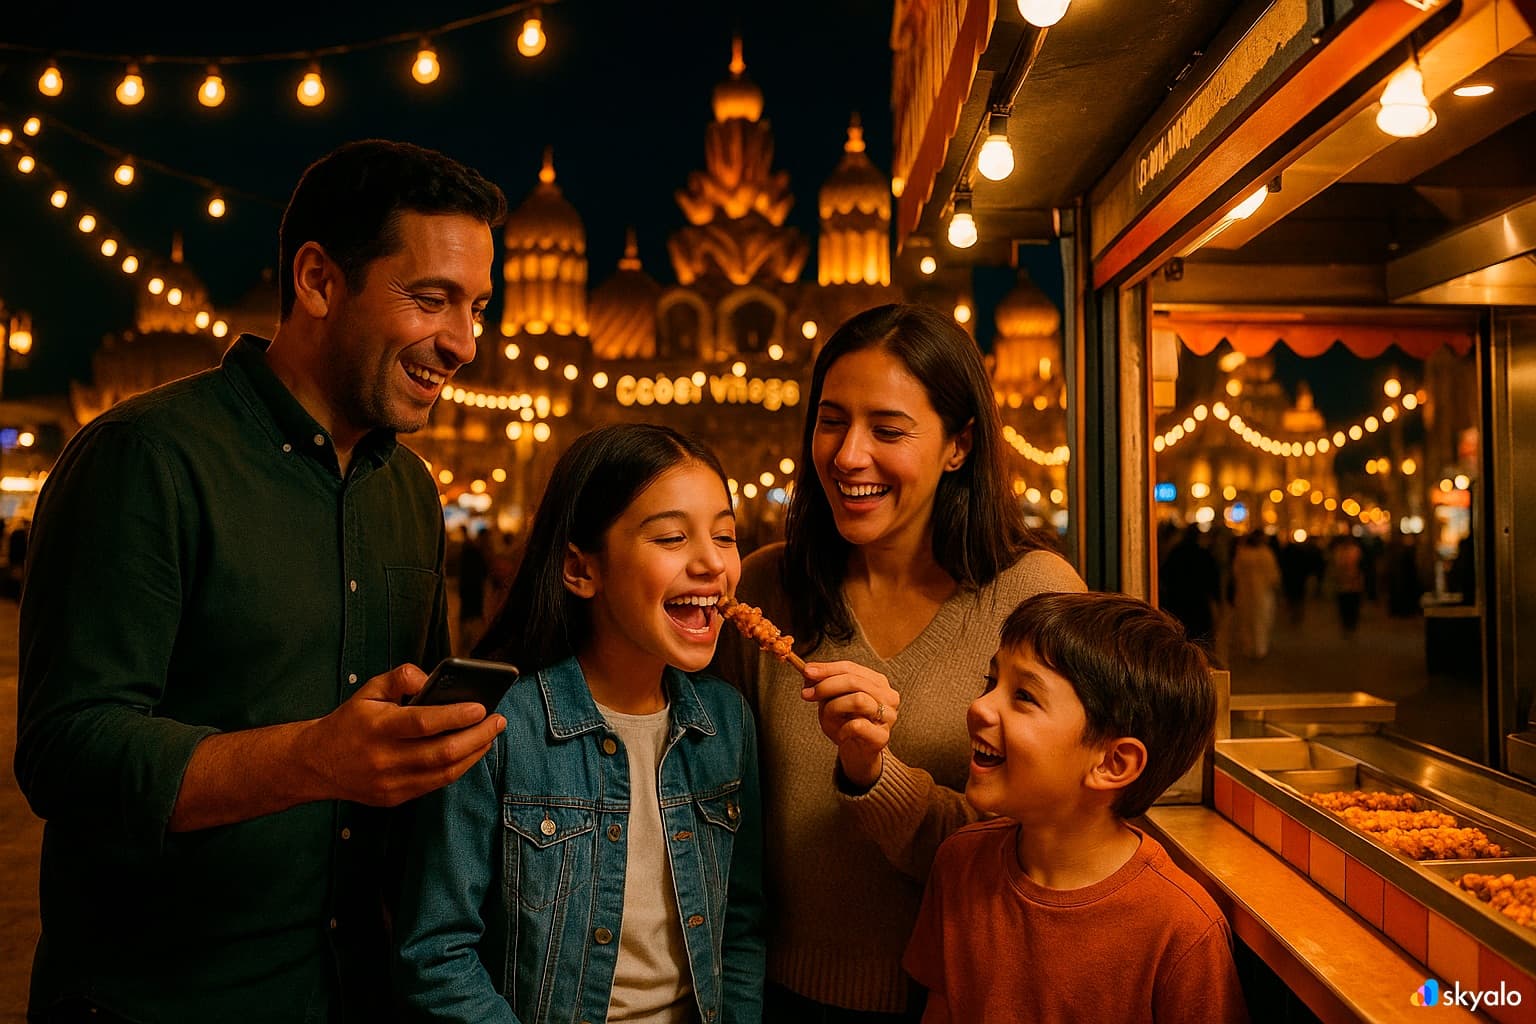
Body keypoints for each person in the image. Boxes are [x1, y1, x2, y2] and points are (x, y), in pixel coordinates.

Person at [14, 139, 508, 1024]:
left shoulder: (410, 492)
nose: (465, 343)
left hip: (353, 989)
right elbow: (69, 755)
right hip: (165, 998)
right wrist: (311, 760)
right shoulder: (148, 460)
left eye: (477, 307)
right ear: (317, 280)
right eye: (431, 299)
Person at [715, 303, 1084, 1021]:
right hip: (770, 995)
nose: (850, 455)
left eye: (888, 430)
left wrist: (875, 778)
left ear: (958, 445)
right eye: (831, 420)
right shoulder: (764, 589)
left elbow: (1048, 847)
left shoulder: (1037, 600)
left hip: (962, 999)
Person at [395, 424, 766, 1023]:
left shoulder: (727, 722)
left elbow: (741, 928)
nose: (711, 563)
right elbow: (436, 954)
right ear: (579, 568)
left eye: (725, 535)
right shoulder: (499, 728)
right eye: (672, 537)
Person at [903, 591, 1248, 1022]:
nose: (980, 706)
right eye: (991, 682)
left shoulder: (1180, 928)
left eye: (1024, 696)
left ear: (1112, 763)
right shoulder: (960, 863)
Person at [1157, 525, 1222, 650]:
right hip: (1199, 605)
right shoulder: (1203, 554)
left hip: (1178, 604)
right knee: (1201, 643)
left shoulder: (1176, 553)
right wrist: (1218, 602)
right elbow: (1213, 581)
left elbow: (1164, 576)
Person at [1230, 530, 1281, 658]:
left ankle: (1249, 647)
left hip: (1245, 592)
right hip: (1262, 593)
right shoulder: (1265, 553)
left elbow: (1236, 572)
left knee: (1246, 620)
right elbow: (1273, 575)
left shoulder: (1242, 553)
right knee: (1262, 619)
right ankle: (1260, 648)